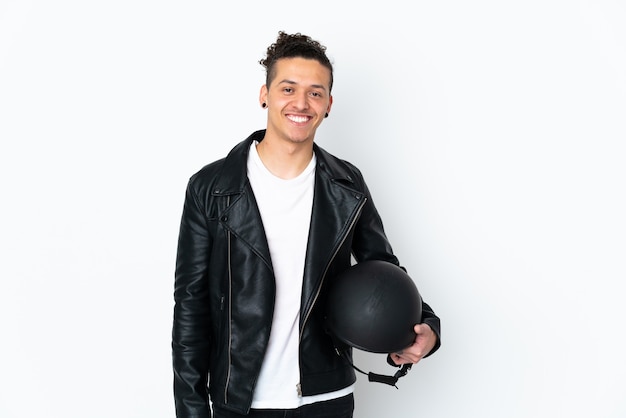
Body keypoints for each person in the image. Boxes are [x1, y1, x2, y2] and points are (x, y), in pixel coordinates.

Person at [172, 31, 441, 418]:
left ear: (329, 104)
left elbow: (382, 271)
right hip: (241, 401)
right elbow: (190, 307)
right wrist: (192, 410)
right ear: (264, 94)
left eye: (315, 92)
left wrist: (426, 327)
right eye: (288, 88)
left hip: (326, 398)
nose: (301, 103)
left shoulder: (347, 185)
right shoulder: (211, 187)